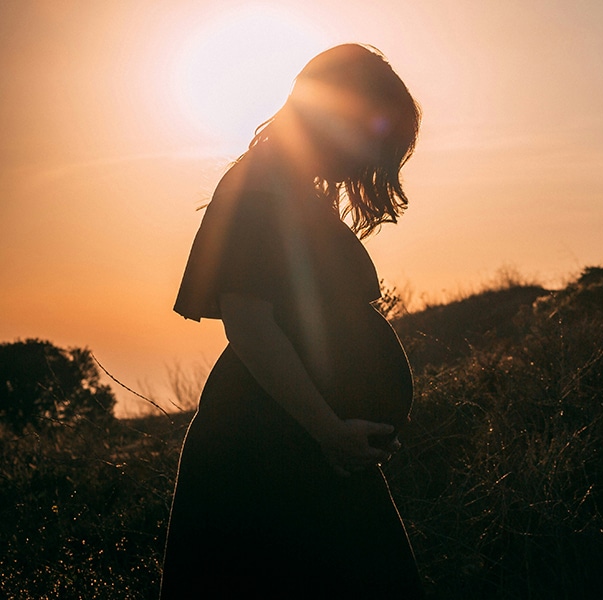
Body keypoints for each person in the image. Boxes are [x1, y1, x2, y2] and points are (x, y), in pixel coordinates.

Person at [160, 44, 424, 598]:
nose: (372, 154)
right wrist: (330, 431)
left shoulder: (289, 187)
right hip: (270, 443)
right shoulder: (260, 187)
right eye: (372, 133)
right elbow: (250, 324)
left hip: (306, 441)